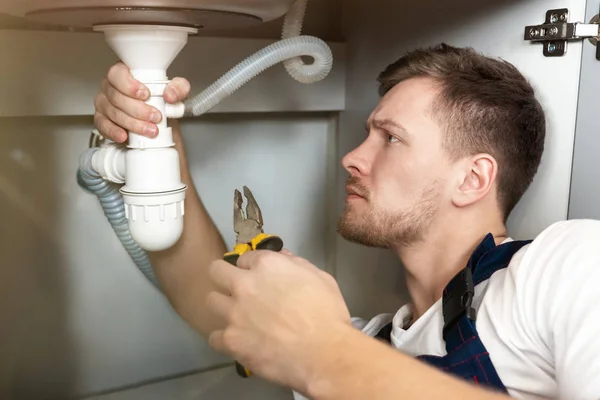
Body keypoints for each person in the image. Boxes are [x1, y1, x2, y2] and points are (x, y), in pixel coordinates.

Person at [92, 43, 600, 400]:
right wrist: (154, 139)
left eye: (390, 138)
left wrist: (323, 351)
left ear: (472, 179)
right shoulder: (368, 344)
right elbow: (209, 301)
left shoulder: (566, 267)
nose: (351, 158)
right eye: (366, 134)